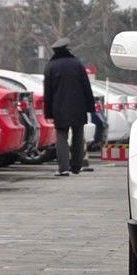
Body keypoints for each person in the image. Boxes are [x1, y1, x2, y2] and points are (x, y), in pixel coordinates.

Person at [43, 37, 95, 176]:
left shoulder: (50, 66)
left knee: (61, 137)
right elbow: (86, 87)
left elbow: (48, 92)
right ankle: (77, 166)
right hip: (79, 107)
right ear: (67, 49)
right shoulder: (77, 64)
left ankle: (63, 168)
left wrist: (48, 113)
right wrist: (90, 107)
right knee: (78, 135)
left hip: (59, 108)